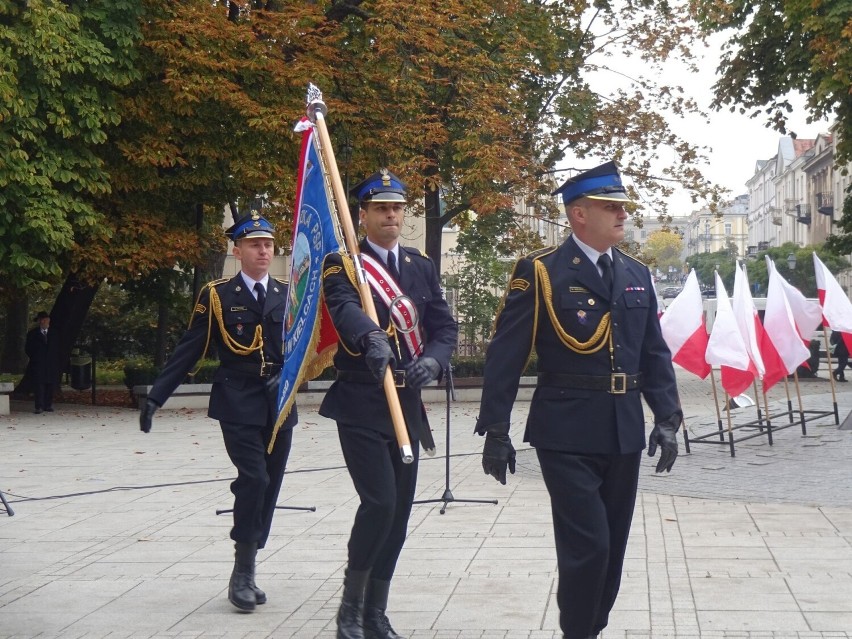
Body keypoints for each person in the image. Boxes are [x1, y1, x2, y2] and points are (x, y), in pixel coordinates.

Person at [475, 161, 682, 639]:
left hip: (623, 428)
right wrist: (496, 429)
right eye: (610, 207)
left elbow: (653, 351)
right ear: (578, 214)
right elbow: (506, 354)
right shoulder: (542, 271)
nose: (621, 215)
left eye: (623, 207)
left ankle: (590, 627)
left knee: (612, 549)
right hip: (565, 429)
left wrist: (667, 417)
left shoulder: (635, 273)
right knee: (587, 546)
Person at [320, 169, 458, 639]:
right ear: (362, 215)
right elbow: (344, 308)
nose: (391, 215)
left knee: (399, 514)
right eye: (381, 208)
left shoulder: (419, 265)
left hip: (408, 404)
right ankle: (350, 610)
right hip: (361, 402)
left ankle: (376, 611)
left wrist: (434, 364)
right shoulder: (344, 264)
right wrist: (371, 336)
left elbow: (444, 327)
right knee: (378, 503)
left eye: (397, 207)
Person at [138, 211, 297, 613]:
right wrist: (158, 395)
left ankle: (250, 560)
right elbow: (190, 347)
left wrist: (294, 379)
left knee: (271, 485)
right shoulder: (218, 294)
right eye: (255, 244)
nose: (263, 250)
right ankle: (241, 572)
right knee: (254, 479)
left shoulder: (288, 292)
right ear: (237, 249)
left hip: (279, 403)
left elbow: (304, 348)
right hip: (237, 399)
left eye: (268, 244)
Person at [25, 311, 59, 414]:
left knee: (50, 385)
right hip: (38, 363)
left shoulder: (54, 333)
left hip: (50, 363)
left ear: (48, 320)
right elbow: (28, 348)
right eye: (41, 320)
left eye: (44, 319)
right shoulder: (33, 333)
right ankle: (39, 406)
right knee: (39, 385)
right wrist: (35, 358)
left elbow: (58, 349)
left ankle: (48, 405)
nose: (42, 321)